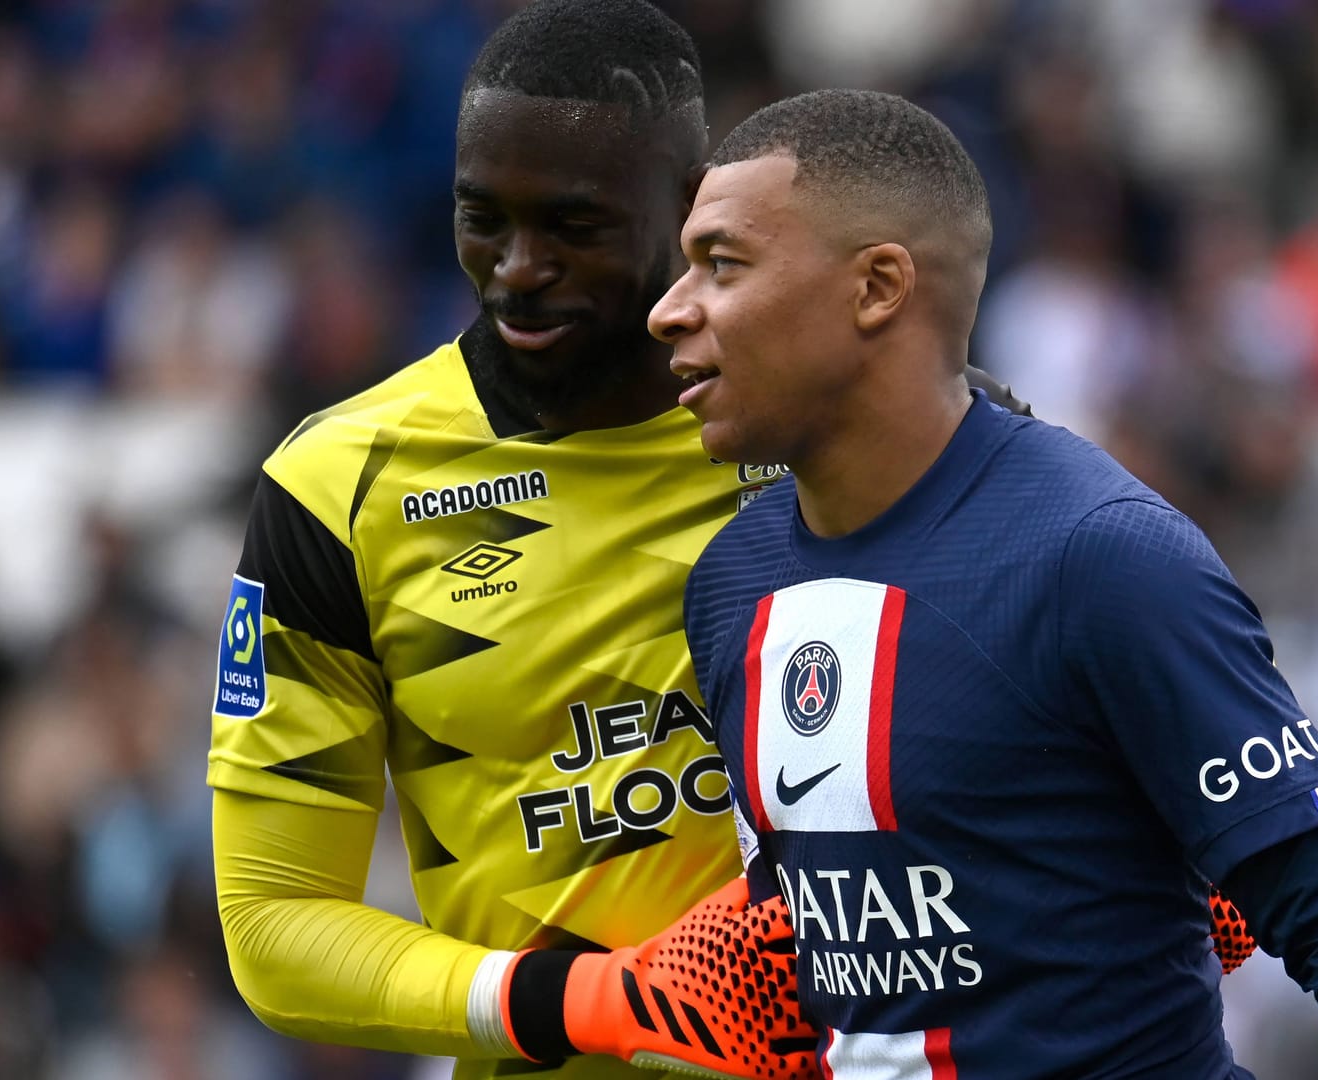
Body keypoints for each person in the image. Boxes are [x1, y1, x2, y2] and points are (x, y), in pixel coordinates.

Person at [660, 89, 1318, 1078]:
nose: (669, 309)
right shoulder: (731, 584)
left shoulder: (1102, 556)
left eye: (722, 265)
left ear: (876, 289)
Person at [206, 3, 822, 1077]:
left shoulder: (839, 428)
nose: (517, 268)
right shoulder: (337, 489)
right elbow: (273, 927)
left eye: (573, 225)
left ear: (689, 206)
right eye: (481, 216)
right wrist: (587, 1002)